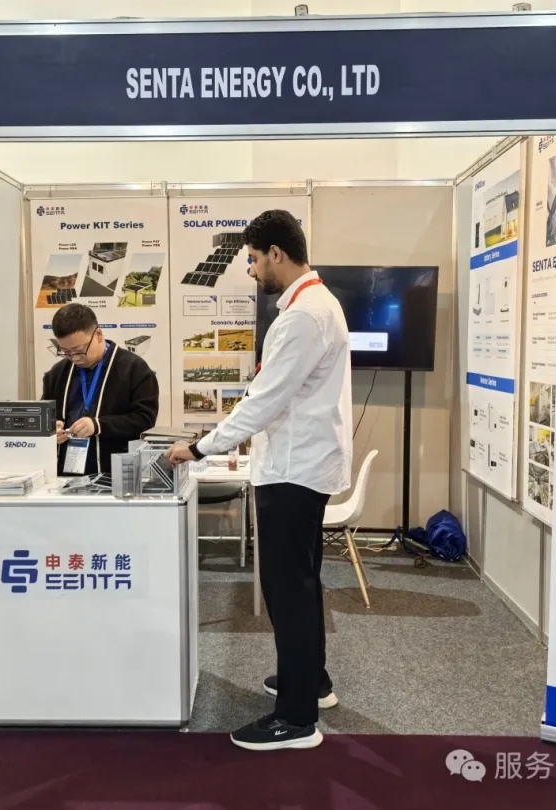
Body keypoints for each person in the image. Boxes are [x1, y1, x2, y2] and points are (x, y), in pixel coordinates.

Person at [166, 209, 353, 752]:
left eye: (252, 259)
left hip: (294, 472)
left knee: (287, 590)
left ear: (276, 253)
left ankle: (295, 720)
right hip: (302, 466)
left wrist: (200, 447)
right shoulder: (315, 304)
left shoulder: (303, 317)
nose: (250, 270)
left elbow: (263, 401)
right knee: (302, 582)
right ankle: (311, 683)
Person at [41, 303, 160, 477]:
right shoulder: (58, 373)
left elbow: (144, 420)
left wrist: (98, 425)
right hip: (66, 476)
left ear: (98, 335)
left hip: (115, 474)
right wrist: (51, 427)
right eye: (66, 352)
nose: (74, 358)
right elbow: (44, 415)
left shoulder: (134, 369)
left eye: (79, 350)